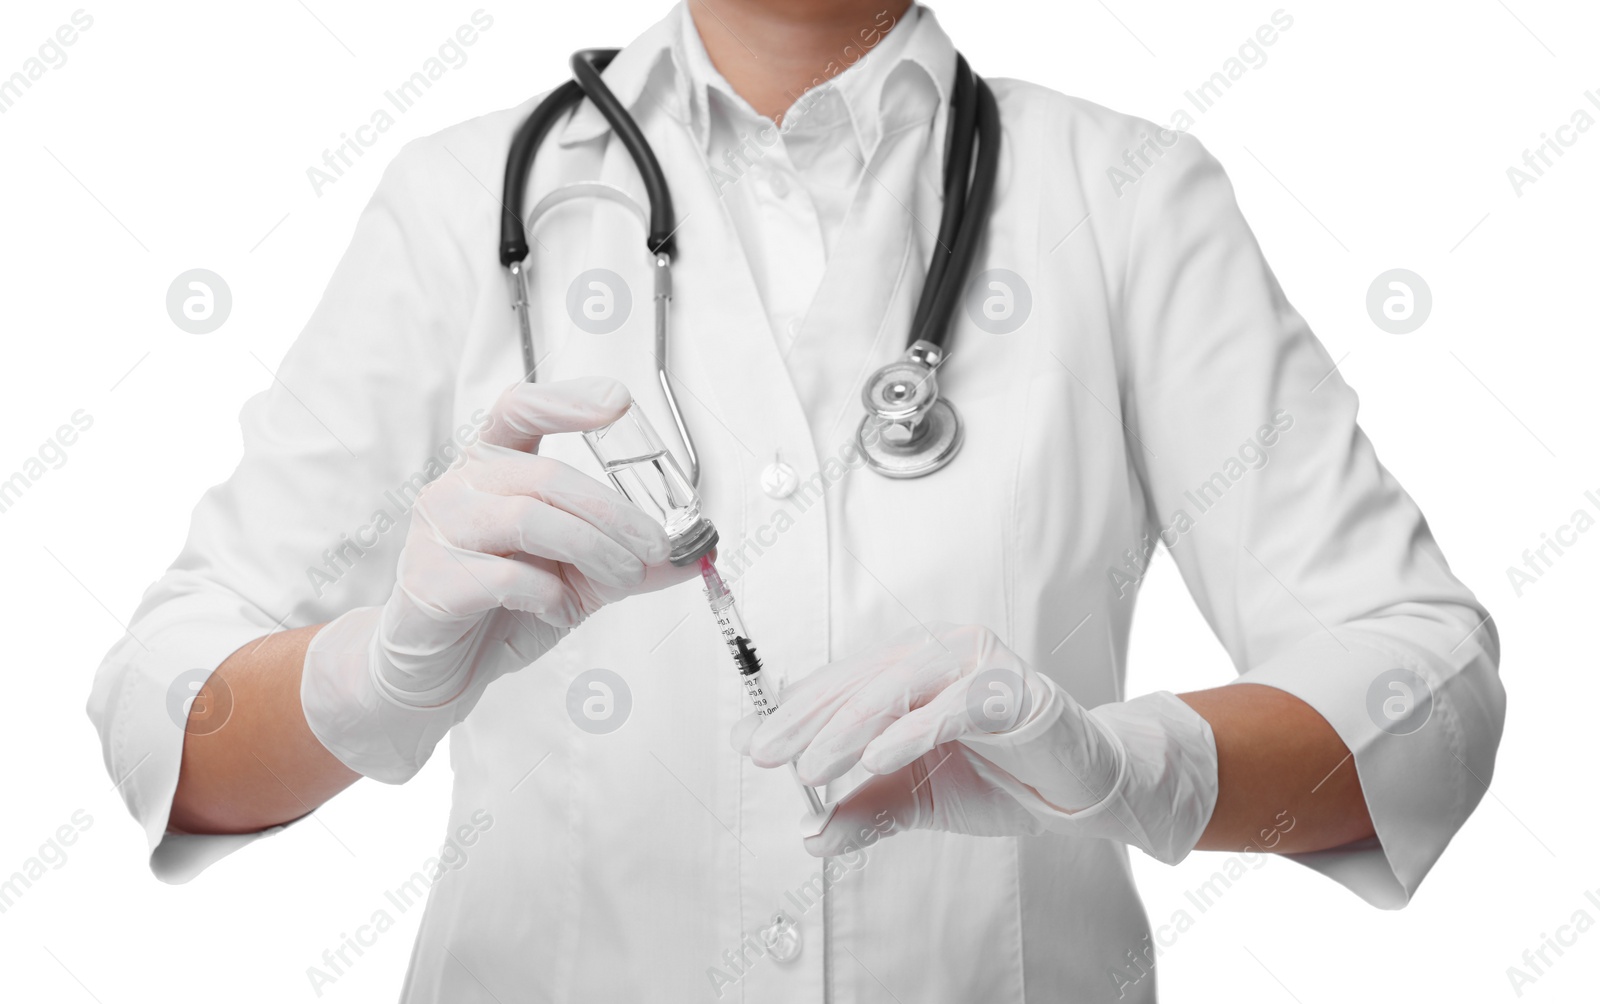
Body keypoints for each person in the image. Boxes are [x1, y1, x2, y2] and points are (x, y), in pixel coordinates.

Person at [88, 2, 1505, 1000]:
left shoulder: (1126, 200)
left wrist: (1129, 766)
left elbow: (1428, 694)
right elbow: (170, 723)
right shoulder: (459, 199)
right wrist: (379, 674)